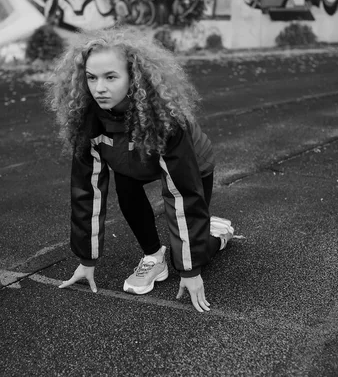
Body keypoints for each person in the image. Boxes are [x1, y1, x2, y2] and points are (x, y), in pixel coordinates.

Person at [47, 26, 234, 313]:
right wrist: (86, 260)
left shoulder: (166, 122)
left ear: (133, 78)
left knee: (189, 245)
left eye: (111, 77)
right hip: (129, 161)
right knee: (127, 188)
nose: (99, 88)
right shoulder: (88, 121)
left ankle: (216, 236)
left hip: (192, 165)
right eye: (91, 77)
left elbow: (182, 194)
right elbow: (87, 191)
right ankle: (152, 257)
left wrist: (190, 270)